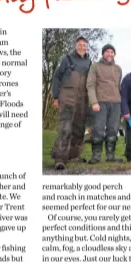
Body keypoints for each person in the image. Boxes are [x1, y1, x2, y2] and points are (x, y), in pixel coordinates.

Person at [51, 36, 92, 171]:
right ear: (75, 46)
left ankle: (73, 155)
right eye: (79, 44)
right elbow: (57, 77)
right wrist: (55, 97)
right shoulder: (66, 59)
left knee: (79, 130)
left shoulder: (89, 62)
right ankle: (60, 159)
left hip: (82, 100)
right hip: (67, 98)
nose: (82, 47)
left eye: (84, 45)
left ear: (87, 47)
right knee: (65, 129)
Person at [87, 43, 123, 163]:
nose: (110, 54)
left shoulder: (118, 68)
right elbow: (90, 85)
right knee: (98, 129)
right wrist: (93, 102)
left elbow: (118, 86)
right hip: (100, 102)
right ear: (103, 53)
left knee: (113, 129)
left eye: (112, 52)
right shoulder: (95, 66)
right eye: (107, 51)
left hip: (116, 102)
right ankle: (96, 156)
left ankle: (110, 156)